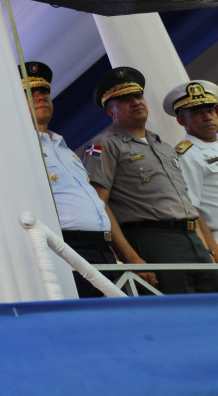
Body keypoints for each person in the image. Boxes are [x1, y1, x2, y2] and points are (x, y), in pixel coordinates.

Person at [83, 66, 218, 295]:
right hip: (153, 239)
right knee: (177, 309)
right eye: (124, 99)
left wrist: (209, 248)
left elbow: (187, 204)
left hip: (192, 238)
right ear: (110, 111)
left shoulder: (163, 146)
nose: (135, 102)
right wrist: (131, 257)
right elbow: (98, 204)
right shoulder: (105, 145)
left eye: (138, 96)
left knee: (210, 307)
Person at [20, 61, 125, 297]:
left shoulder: (63, 148)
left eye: (44, 91)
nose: (41, 97)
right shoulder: (20, 147)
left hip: (101, 248)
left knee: (115, 315)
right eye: (31, 93)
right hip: (67, 247)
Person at [165, 80, 218, 237]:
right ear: (181, 120)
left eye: (210, 111)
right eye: (197, 113)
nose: (207, 117)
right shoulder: (186, 156)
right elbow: (191, 211)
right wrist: (210, 248)